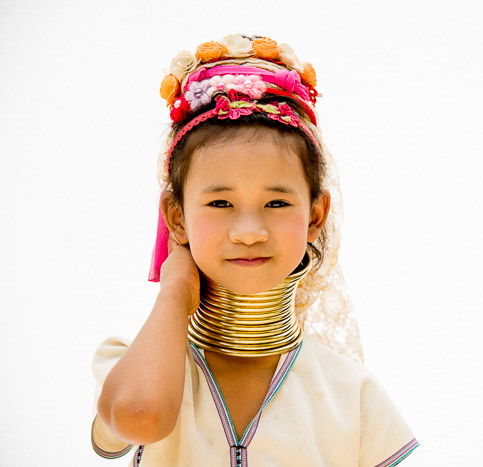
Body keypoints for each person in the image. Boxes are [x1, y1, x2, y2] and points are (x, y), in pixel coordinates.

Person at [89, 33, 419, 466]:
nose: (249, 231)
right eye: (220, 203)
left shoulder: (350, 395)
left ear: (316, 216)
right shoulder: (136, 362)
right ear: (177, 217)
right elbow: (140, 416)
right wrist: (175, 289)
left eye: (277, 203)